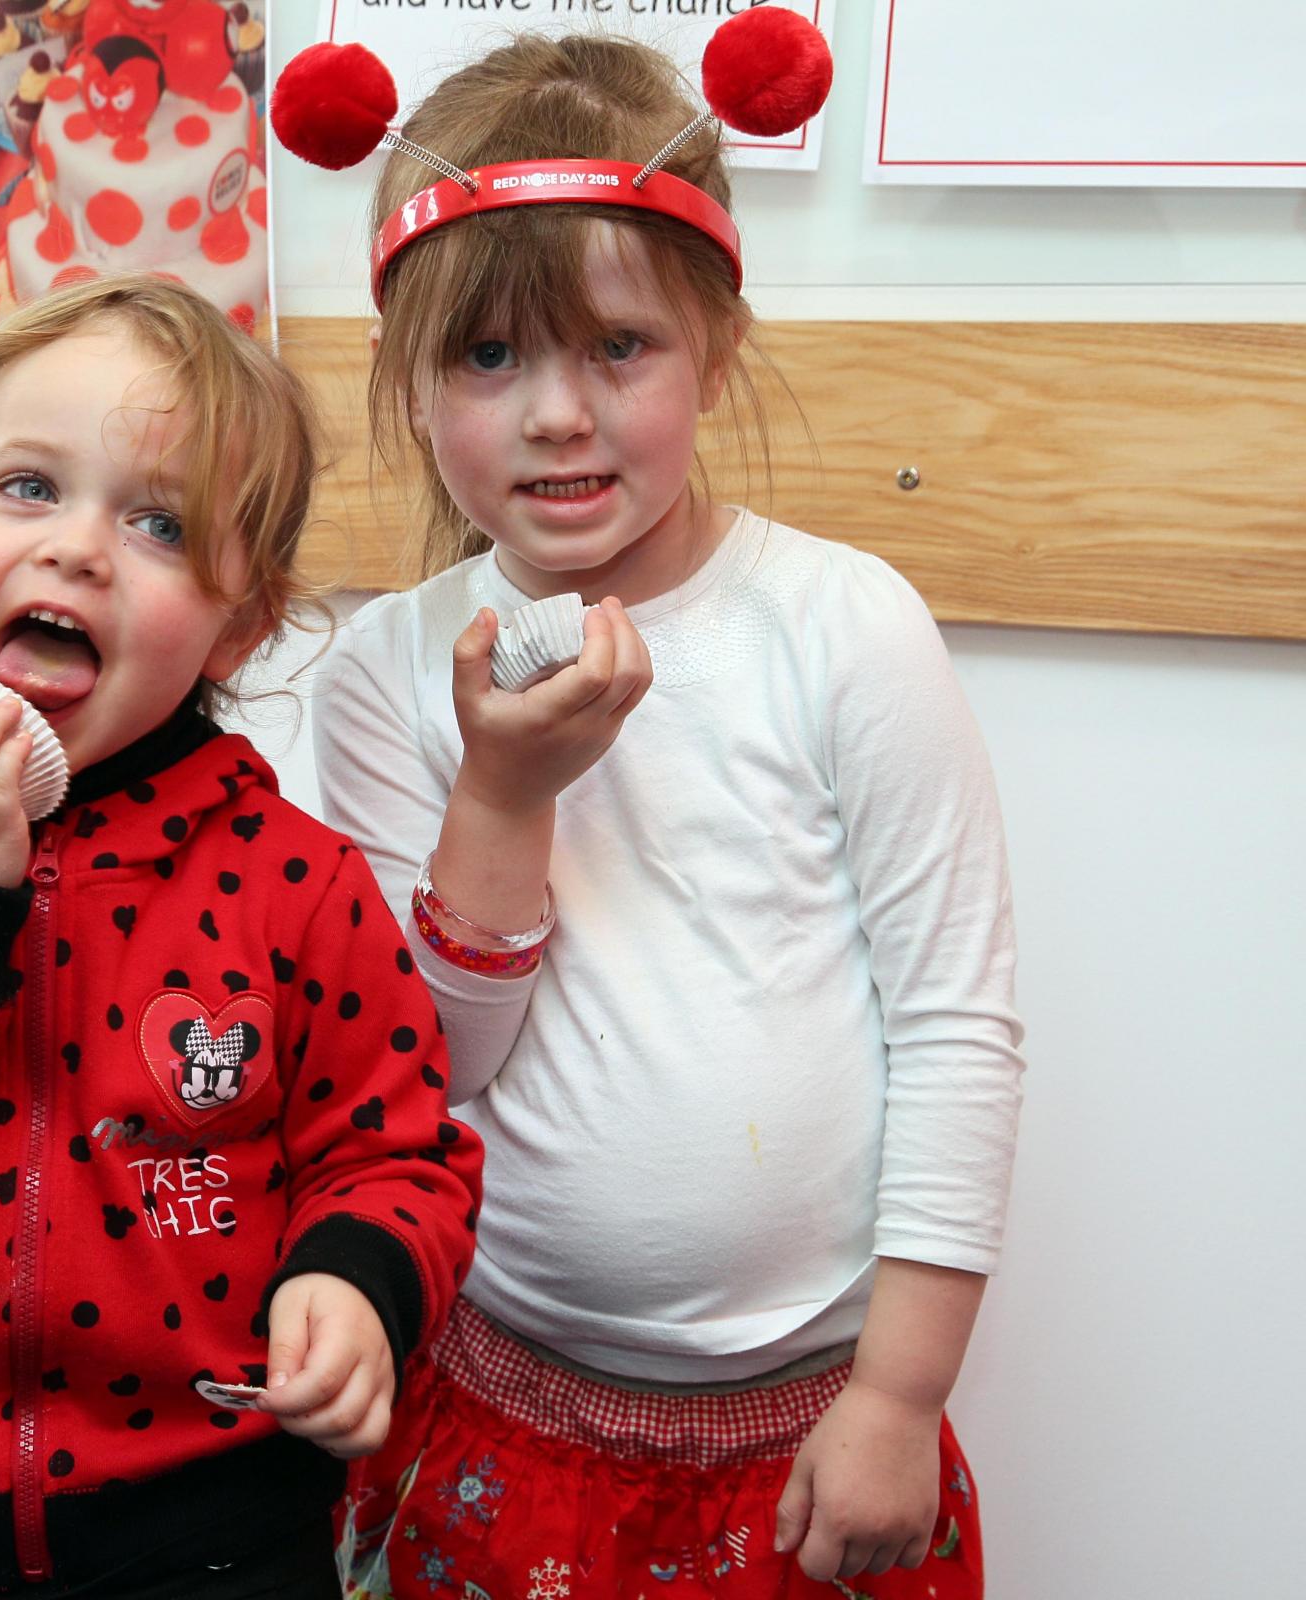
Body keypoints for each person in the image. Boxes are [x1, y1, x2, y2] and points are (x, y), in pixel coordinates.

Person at [306, 31, 1025, 1599]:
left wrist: (901, 1396)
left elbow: (958, 1025)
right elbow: (420, 1075)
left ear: (712, 343)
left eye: (618, 347)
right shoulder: (381, 673)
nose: (557, 414)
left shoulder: (840, 624)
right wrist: (504, 794)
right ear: (414, 388)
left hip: (819, 1427)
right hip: (502, 1408)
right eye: (488, 359)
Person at [0, 275, 482, 1597]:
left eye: (160, 522)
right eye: (25, 486)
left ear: (239, 625)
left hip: (224, 1526)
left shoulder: (296, 882)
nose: (76, 547)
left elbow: (396, 1152)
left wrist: (358, 1284)